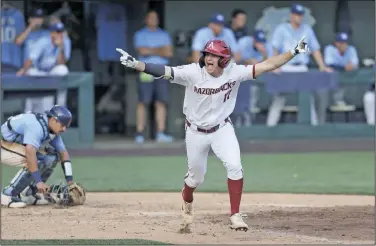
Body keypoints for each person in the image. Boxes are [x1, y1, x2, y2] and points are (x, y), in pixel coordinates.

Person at [116, 35, 308, 231]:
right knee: (195, 178)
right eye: (207, 53)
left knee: (235, 166)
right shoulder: (193, 72)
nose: (208, 58)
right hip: (195, 132)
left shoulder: (234, 72)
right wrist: (137, 64)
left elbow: (267, 65)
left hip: (222, 128)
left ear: (223, 60)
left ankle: (235, 215)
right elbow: (165, 71)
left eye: (214, 55)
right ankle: (187, 197)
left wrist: (294, 52)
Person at [267, 3, 332, 126]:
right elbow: (274, 49)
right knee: (279, 99)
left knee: (308, 99)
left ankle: (313, 129)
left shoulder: (307, 30)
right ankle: (269, 127)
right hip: (286, 68)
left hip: (302, 68)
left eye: (301, 15)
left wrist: (322, 66)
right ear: (291, 15)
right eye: (296, 14)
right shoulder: (282, 29)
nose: (299, 17)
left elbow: (315, 50)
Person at [1, 105, 74, 208]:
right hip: (3, 144)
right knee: (34, 159)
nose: (64, 129)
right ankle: (7, 194)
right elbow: (30, 153)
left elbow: (63, 153)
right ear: (53, 120)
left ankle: (28, 194)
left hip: (14, 145)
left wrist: (70, 182)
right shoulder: (37, 126)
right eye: (63, 125)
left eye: (67, 126)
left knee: (52, 157)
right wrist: (39, 181)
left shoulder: (51, 129)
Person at [133, 10, 174, 144]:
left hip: (162, 70)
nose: (154, 20)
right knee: (143, 102)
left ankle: (160, 133)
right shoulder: (140, 34)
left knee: (161, 102)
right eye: (151, 18)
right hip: (145, 70)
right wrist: (159, 50)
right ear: (146, 19)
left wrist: (151, 50)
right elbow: (142, 51)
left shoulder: (164, 34)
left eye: (156, 18)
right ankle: (139, 133)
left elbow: (168, 53)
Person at [17, 22, 71, 113]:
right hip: (39, 71)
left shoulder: (65, 42)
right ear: (51, 33)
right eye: (57, 32)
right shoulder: (43, 41)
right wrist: (23, 70)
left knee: (63, 70)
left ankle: (61, 108)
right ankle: (27, 112)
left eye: (61, 32)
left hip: (51, 73)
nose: (59, 34)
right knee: (31, 72)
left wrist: (61, 47)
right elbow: (31, 59)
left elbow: (61, 63)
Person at [324, 32, 359, 107]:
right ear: (336, 43)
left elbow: (354, 64)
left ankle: (343, 100)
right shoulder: (330, 49)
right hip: (331, 80)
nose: (344, 45)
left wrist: (349, 66)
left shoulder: (351, 49)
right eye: (341, 43)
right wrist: (344, 67)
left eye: (345, 43)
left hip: (346, 79)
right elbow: (329, 64)